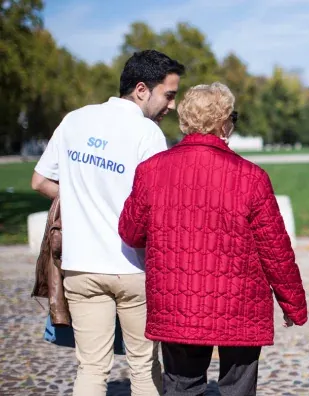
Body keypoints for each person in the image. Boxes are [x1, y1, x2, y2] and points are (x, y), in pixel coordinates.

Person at [118, 82, 308, 396]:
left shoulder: (150, 171)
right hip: (240, 305)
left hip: (177, 301)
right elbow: (275, 249)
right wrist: (293, 304)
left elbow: (131, 232)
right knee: (238, 388)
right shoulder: (251, 176)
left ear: (183, 120)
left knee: (182, 386)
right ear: (225, 123)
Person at [31, 49, 185, 395]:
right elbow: (158, 204)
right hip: (133, 269)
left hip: (80, 267)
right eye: (169, 95)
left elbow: (40, 181)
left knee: (91, 369)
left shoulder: (75, 120)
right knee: (144, 370)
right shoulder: (147, 134)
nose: (172, 105)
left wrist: (81, 199)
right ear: (142, 89)